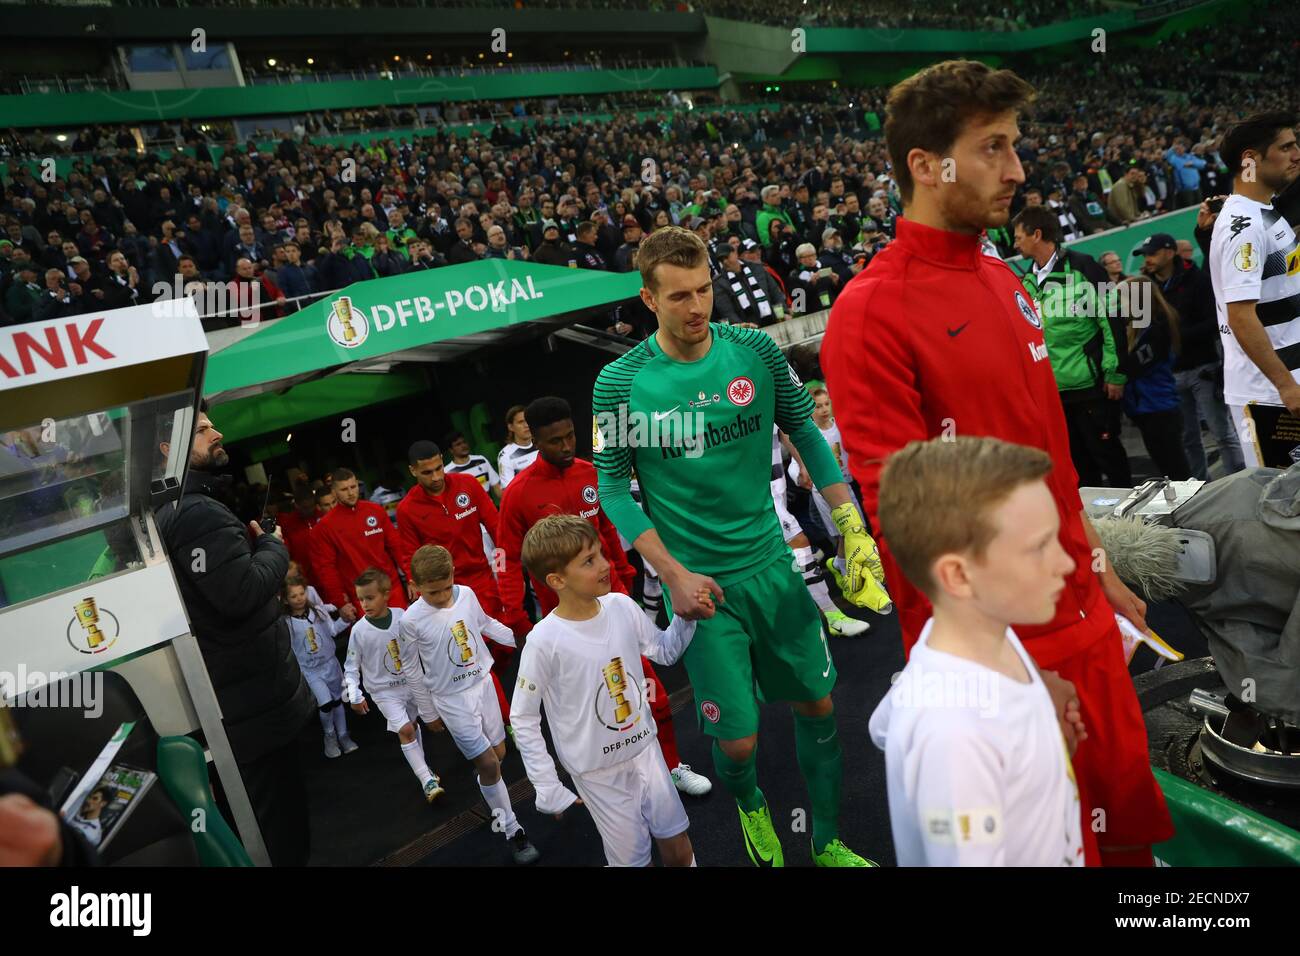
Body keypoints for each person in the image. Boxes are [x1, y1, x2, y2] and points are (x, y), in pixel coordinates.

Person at [822, 58, 1174, 866]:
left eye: (1015, 146)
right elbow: (909, 527)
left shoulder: (1002, 274)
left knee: (1126, 851)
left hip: (1083, 616)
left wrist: (1100, 568)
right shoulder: (870, 312)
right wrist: (1010, 683)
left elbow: (1049, 451)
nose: (1017, 170)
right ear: (925, 164)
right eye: (994, 148)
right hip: (1007, 661)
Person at [593, 225, 892, 868]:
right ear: (648, 298)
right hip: (702, 591)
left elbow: (806, 434)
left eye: (704, 289)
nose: (697, 307)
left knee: (819, 704)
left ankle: (829, 842)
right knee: (736, 746)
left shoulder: (754, 348)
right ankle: (752, 805)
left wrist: (853, 529)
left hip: (774, 570)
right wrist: (671, 574)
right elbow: (613, 489)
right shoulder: (618, 384)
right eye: (679, 297)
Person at [869, 436, 1086, 866]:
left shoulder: (981, 636)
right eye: (1040, 546)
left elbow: (883, 725)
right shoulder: (955, 736)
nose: (1066, 563)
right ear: (959, 577)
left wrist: (1036, 757)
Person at [495, 396, 711, 796]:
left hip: (612, 606)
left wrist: (625, 578)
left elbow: (609, 531)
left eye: (570, 436)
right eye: (554, 440)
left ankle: (672, 767)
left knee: (651, 691)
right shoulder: (519, 494)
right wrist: (519, 620)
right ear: (535, 442)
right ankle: (608, 783)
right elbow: (507, 559)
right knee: (597, 706)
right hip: (566, 622)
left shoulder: (591, 473)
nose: (565, 446)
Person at [155, 404, 315, 866]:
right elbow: (241, 592)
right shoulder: (194, 514)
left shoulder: (182, 508)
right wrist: (272, 546)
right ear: (170, 450)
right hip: (253, 709)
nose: (217, 433)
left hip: (245, 705)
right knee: (281, 836)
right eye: (204, 430)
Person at [511, 514, 700, 867]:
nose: (605, 564)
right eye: (589, 561)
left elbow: (663, 651)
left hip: (646, 750)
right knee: (632, 860)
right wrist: (548, 786)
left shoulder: (621, 606)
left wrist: (686, 616)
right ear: (557, 580)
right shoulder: (543, 641)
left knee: (677, 841)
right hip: (598, 772)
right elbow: (522, 717)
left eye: (599, 553)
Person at [400, 545, 539, 864]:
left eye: (447, 587)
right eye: (433, 592)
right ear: (416, 587)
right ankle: (513, 830)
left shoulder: (466, 594)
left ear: (453, 576)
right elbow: (410, 667)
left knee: (499, 757)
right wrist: (428, 711)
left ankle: (490, 789)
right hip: (451, 701)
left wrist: (524, 638)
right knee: (489, 764)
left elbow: (486, 624)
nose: (443, 596)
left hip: (484, 686)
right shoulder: (411, 621)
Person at [395, 439, 518, 722]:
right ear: (413, 471)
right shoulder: (407, 508)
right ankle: (505, 720)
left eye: (439, 468)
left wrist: (504, 568)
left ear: (443, 460)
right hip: (447, 593)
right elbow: (409, 555)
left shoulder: (467, 484)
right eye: (427, 472)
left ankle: (476, 692)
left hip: (483, 579)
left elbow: (497, 526)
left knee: (501, 647)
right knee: (475, 653)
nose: (436, 477)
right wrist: (419, 586)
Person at [1013, 205, 1131, 488]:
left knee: (1108, 457)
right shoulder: (1025, 280)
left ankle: (1133, 524)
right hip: (1053, 393)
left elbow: (1112, 319)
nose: (1015, 243)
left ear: (1037, 235)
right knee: (1077, 465)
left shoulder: (1084, 266)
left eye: (1018, 237)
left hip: (1091, 387)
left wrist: (1115, 373)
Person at [1208, 111, 1300, 467]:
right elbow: (1241, 316)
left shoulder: (1266, 211)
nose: (1297, 154)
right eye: (1287, 147)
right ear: (1251, 160)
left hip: (1284, 385)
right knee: (1281, 508)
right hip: (1269, 397)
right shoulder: (1243, 226)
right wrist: (1285, 386)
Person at [1135, 232, 1244, 479]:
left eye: (1152, 253)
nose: (1148, 259)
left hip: (1202, 367)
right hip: (1170, 373)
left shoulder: (1198, 280)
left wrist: (1174, 336)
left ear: (1170, 252)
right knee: (1187, 437)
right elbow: (1138, 327)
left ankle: (1239, 482)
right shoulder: (1144, 284)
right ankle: (1199, 489)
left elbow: (1215, 321)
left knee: (1221, 432)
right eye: (1145, 255)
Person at [343, 568, 445, 804]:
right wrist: (354, 693)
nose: (364, 604)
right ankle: (427, 782)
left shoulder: (403, 617)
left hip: (410, 685)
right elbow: (350, 666)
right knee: (406, 730)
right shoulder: (358, 631)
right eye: (360, 599)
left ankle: (424, 769)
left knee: (412, 726)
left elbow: (423, 643)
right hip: (384, 691)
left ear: (386, 594)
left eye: (370, 597)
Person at [1114, 276, 1193, 479]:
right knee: (1166, 469)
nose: (1116, 304)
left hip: (1159, 408)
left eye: (1120, 298)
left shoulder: (1156, 330)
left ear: (1137, 299)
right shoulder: (1137, 329)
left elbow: (1131, 367)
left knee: (1177, 471)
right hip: (1145, 410)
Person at [310, 468, 410, 621]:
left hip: (392, 589)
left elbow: (397, 547)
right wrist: (340, 603)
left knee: (407, 636)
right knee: (376, 643)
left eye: (353, 487)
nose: (351, 493)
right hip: (362, 599)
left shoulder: (375, 510)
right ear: (334, 491)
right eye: (344, 489)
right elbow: (326, 568)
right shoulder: (325, 527)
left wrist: (411, 578)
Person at [283, 576, 358, 759]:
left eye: (302, 593)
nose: (299, 598)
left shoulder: (317, 612)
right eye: (294, 596)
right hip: (310, 670)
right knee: (324, 704)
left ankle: (343, 735)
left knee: (338, 701)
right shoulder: (286, 623)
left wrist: (345, 620)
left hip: (330, 664)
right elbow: (289, 648)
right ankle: (329, 735)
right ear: (286, 599)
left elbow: (332, 630)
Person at [443, 430, 503, 500]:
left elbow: (496, 486)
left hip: (490, 508)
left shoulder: (481, 460)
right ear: (451, 450)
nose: (463, 446)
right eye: (458, 444)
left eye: (464, 442)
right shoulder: (447, 472)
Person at [497, 404, 539, 488]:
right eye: (521, 422)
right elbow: (509, 490)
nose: (526, 425)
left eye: (528, 421)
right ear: (511, 427)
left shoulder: (542, 444)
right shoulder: (506, 456)